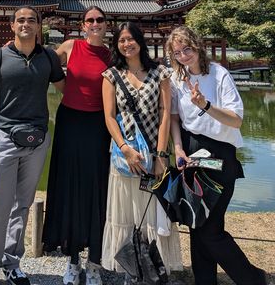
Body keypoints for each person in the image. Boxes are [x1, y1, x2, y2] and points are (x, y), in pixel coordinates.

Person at [0, 6, 65, 285]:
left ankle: (12, 264)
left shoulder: (48, 57)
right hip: (6, 138)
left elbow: (68, 90)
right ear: (12, 26)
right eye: (21, 20)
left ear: (39, 26)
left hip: (37, 140)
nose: (26, 24)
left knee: (22, 205)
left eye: (32, 20)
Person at [168, 25, 268, 285]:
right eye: (177, 52)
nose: (183, 55)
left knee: (211, 229)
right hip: (191, 150)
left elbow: (235, 121)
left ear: (197, 46)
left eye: (187, 48)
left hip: (220, 153)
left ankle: (252, 278)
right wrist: (177, 147)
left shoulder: (219, 74)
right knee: (196, 221)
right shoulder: (178, 78)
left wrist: (206, 106)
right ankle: (204, 280)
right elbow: (175, 118)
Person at [101, 21, 182, 283]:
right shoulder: (111, 75)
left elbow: (164, 115)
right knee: (125, 212)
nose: (126, 44)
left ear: (140, 41)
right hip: (125, 157)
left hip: (153, 156)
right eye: (121, 40)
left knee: (151, 212)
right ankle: (130, 270)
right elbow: (110, 117)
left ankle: (153, 269)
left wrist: (160, 155)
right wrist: (125, 150)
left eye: (130, 39)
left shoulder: (160, 73)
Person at [42, 6, 113, 285]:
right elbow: (43, 62)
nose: (95, 24)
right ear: (83, 25)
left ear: (106, 25)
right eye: (90, 20)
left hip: (99, 124)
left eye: (99, 20)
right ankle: (72, 259)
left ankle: (94, 261)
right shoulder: (71, 46)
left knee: (97, 187)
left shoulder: (112, 54)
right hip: (70, 121)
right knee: (69, 186)